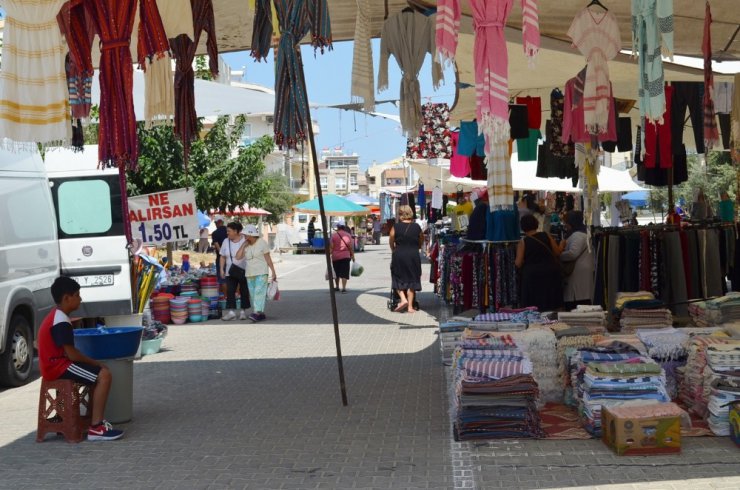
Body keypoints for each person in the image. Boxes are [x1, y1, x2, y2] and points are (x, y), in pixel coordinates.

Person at [38, 277, 124, 441]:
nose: (80, 299)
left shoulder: (56, 316)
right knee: (104, 375)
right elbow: (71, 354)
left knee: (95, 373)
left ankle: (66, 417)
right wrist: (96, 363)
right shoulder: (61, 320)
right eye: (77, 295)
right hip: (57, 367)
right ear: (66, 298)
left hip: (53, 365)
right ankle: (96, 427)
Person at [515, 214, 564, 311]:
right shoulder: (546, 235)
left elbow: (518, 263)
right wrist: (562, 244)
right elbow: (557, 252)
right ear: (536, 224)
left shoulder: (523, 242)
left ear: (523, 227)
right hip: (550, 273)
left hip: (532, 276)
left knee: (535, 305)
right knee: (550, 303)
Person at [236, 224, 277, 322]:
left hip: (261, 272)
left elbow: (268, 258)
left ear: (251, 235)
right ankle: (260, 313)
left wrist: (273, 272)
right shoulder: (246, 245)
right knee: (253, 294)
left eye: (245, 235)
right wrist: (242, 246)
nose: (244, 237)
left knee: (259, 292)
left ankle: (256, 313)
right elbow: (237, 257)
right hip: (250, 273)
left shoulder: (262, 243)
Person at [389, 205, 424, 313]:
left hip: (399, 254)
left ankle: (403, 299)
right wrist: (415, 247)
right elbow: (421, 241)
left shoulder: (396, 226)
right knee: (412, 279)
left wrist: (394, 249)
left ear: (400, 215)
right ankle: (410, 307)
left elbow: (391, 239)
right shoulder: (417, 227)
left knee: (397, 277)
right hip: (413, 255)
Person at [559, 211, 594, 310]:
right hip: (580, 271)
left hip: (578, 271)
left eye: (567, 222)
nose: (566, 225)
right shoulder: (581, 234)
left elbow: (573, 253)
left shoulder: (578, 235)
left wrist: (559, 255)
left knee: (578, 299)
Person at [220, 221, 251, 321]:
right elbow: (222, 257)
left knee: (244, 291)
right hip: (230, 271)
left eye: (229, 231)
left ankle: (243, 312)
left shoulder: (245, 241)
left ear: (236, 231)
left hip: (244, 270)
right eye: (227, 231)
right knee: (230, 291)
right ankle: (231, 312)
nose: (227, 233)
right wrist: (221, 269)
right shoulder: (226, 241)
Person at [330, 223, 355, 293]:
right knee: (344, 273)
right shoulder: (348, 235)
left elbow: (331, 247)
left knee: (336, 272)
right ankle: (343, 288)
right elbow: (350, 247)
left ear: (338, 228)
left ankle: (337, 287)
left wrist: (330, 254)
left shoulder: (334, 236)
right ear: (344, 228)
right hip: (345, 256)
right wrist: (353, 256)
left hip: (335, 257)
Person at [211, 216, 228, 294]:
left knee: (223, 279)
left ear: (218, 222)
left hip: (221, 258)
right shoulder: (229, 231)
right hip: (232, 257)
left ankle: (226, 297)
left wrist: (223, 256)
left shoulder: (215, 233)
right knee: (233, 278)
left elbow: (218, 248)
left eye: (215, 223)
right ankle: (235, 296)